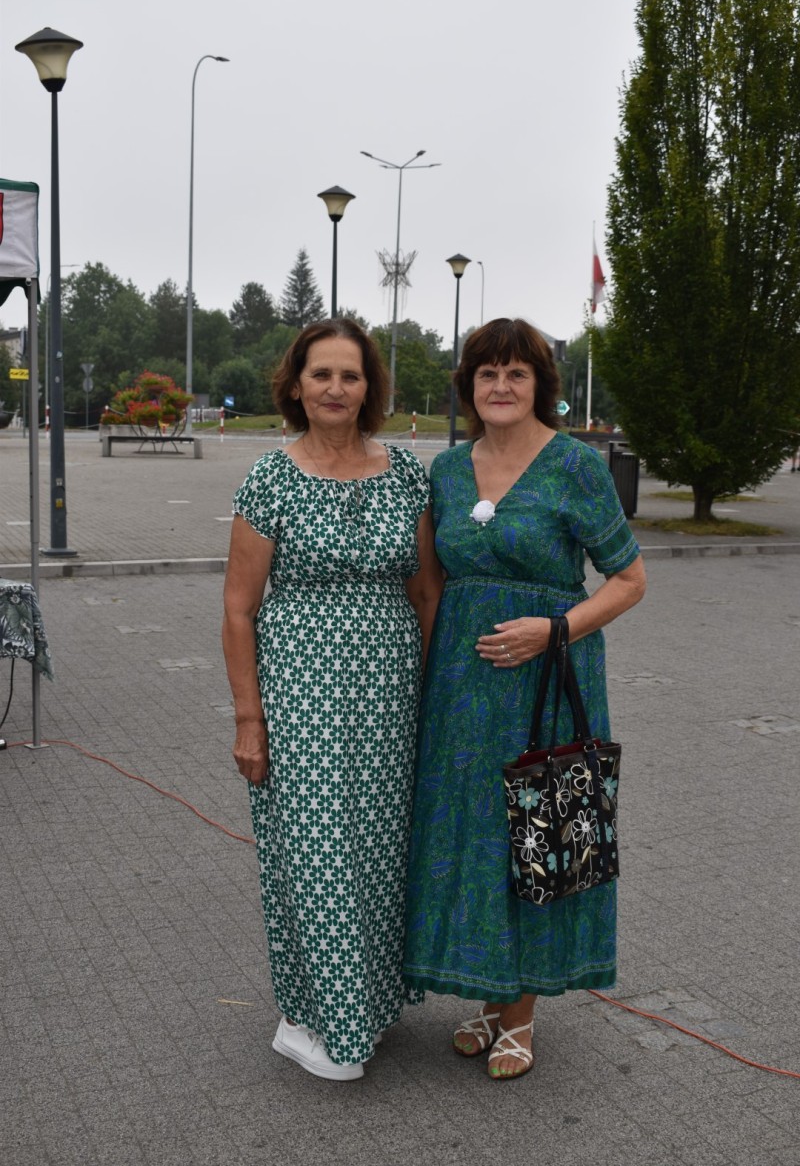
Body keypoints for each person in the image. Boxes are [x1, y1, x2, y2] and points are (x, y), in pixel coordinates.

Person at [403, 317, 646, 1080]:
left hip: (545, 684)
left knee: (535, 832)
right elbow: (430, 584)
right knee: (470, 836)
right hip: (461, 690)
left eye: (516, 373)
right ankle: (488, 993)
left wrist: (555, 629)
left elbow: (630, 580)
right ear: (469, 386)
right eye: (487, 374)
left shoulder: (575, 466)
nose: (501, 386)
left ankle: (521, 1014)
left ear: (540, 385)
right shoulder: (447, 471)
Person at [223, 317, 442, 1082]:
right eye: (322, 374)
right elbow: (238, 609)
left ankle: (362, 1006)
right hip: (300, 701)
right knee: (314, 857)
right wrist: (249, 720)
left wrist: (432, 697)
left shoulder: (408, 473)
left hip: (389, 703)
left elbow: (427, 594)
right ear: (296, 384)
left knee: (378, 857)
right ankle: (314, 1019)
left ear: (369, 387)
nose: (336, 388)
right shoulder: (271, 478)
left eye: (350, 375)